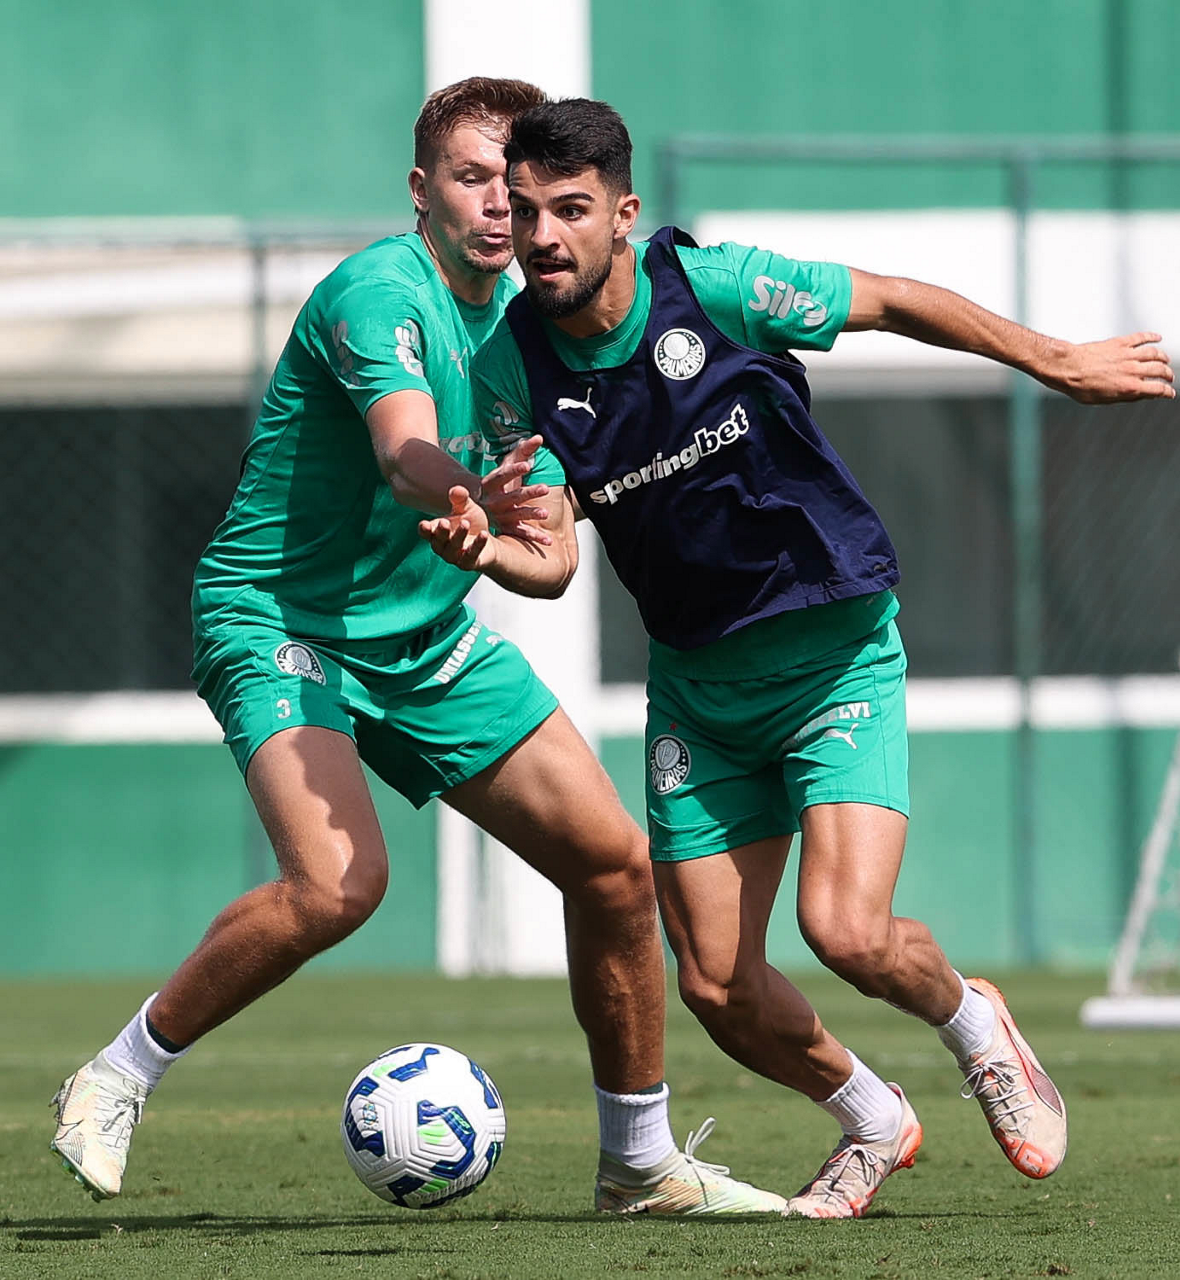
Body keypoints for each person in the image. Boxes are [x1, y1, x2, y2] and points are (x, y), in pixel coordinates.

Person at [422, 97, 1177, 1219]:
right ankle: (872, 1118)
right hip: (699, 693)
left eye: (570, 210)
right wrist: (490, 548)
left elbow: (894, 299)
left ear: (623, 214)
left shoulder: (717, 288)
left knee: (847, 932)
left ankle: (974, 1023)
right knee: (716, 985)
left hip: (834, 661)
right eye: (525, 211)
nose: (541, 236)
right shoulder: (508, 366)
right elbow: (555, 553)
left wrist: (1054, 359)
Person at [49, 78, 786, 1219]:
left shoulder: (538, 334)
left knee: (613, 865)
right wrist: (470, 494)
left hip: (426, 635)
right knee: (337, 886)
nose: (500, 207)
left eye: (517, 188)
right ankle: (117, 1076)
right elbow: (405, 454)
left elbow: (553, 556)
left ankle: (638, 1165)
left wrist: (515, 540)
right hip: (279, 618)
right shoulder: (380, 291)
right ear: (421, 191)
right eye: (471, 178)